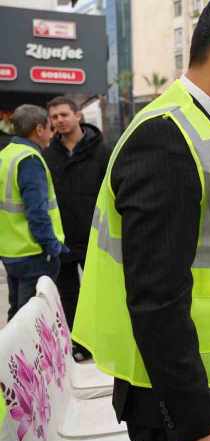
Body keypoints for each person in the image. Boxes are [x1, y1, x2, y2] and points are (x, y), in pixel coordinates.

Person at [71, 2, 210, 441]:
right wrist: (197, 429)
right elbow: (156, 300)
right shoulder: (166, 137)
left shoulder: (208, 127)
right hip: (193, 406)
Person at [43, 96, 110, 360]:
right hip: (64, 239)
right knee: (69, 296)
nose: (59, 121)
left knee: (100, 294)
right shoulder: (48, 156)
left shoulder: (103, 151)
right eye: (54, 117)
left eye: (63, 115)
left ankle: (104, 341)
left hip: (96, 236)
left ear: (77, 116)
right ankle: (80, 345)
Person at [0, 104, 66, 321]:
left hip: (11, 251)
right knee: (32, 320)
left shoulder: (6, 155)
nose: (52, 133)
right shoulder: (29, 160)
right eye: (50, 127)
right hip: (34, 252)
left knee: (18, 315)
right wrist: (52, 247)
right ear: (39, 129)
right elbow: (37, 212)